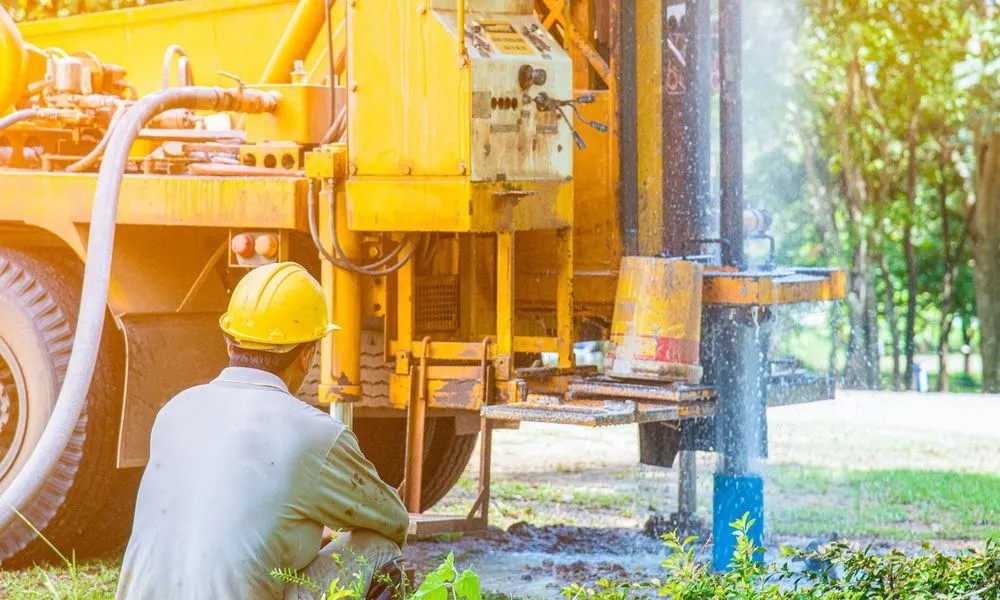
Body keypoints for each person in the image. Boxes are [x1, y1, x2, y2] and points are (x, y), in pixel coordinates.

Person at [116, 262, 409, 600]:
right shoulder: (316, 434)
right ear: (307, 355)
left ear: (229, 342)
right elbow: (393, 521)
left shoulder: (175, 410)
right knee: (379, 547)